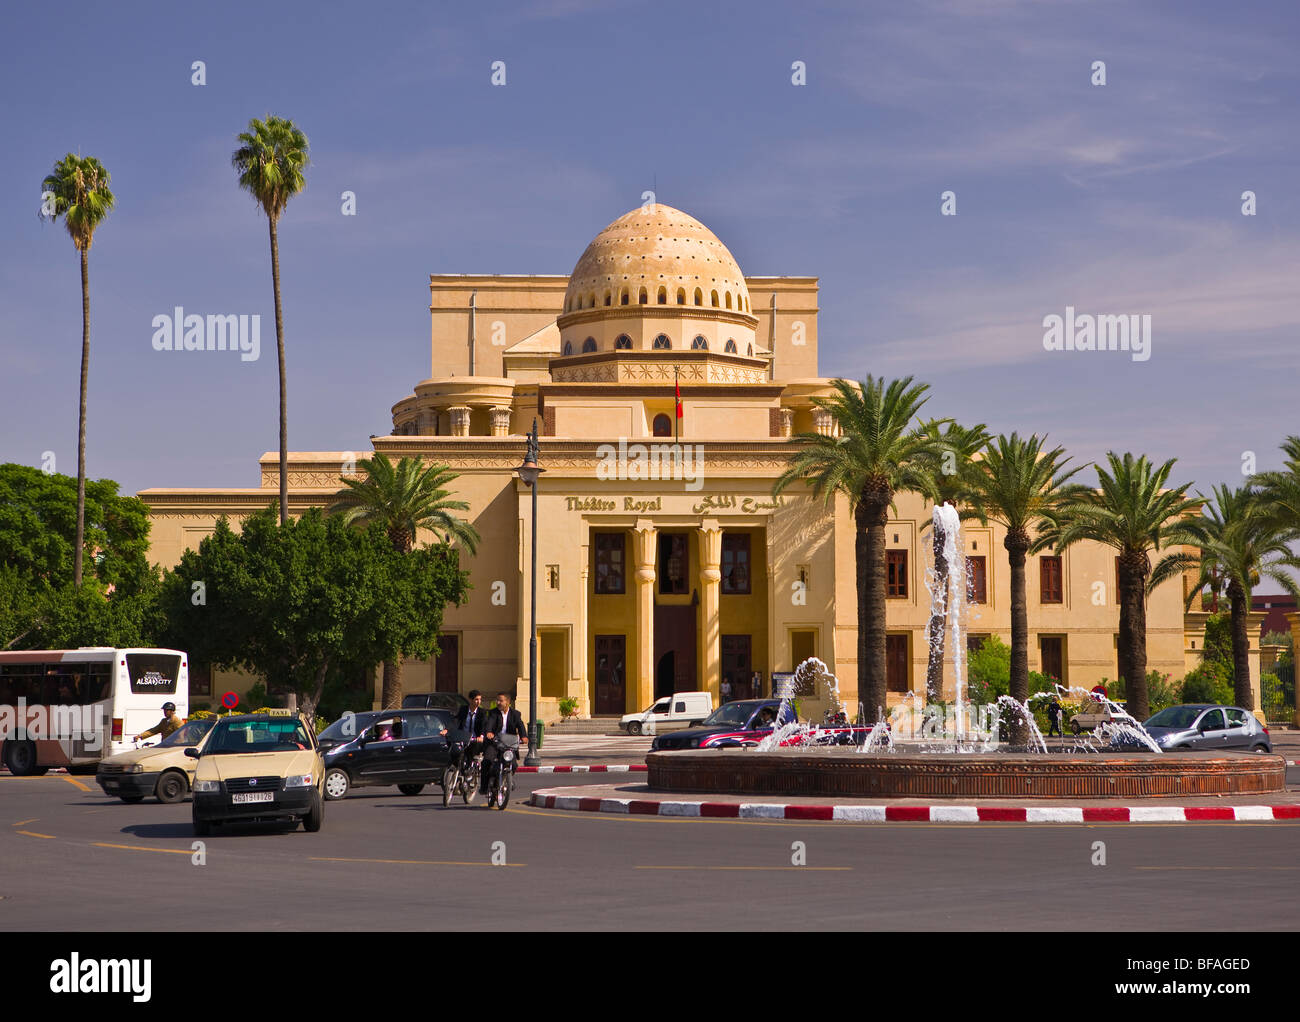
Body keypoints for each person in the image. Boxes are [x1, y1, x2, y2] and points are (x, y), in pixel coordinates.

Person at [483, 692, 528, 791]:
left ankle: (508, 778)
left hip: (509, 744)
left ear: (507, 702)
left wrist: (524, 736)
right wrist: (489, 732)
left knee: (514, 765)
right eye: (497, 700)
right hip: (494, 743)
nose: (498, 702)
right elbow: (489, 723)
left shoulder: (515, 714)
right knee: (487, 761)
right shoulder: (493, 713)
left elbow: (520, 725)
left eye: (501, 701)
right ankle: (484, 786)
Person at [454, 691, 487, 770]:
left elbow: (483, 725)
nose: (478, 702)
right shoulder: (463, 710)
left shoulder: (482, 712)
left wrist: (481, 736)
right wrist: (447, 730)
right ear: (470, 700)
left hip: (475, 740)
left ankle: (470, 769)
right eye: (476, 699)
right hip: (463, 738)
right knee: (455, 753)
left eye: (480, 699)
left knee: (471, 754)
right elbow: (456, 721)